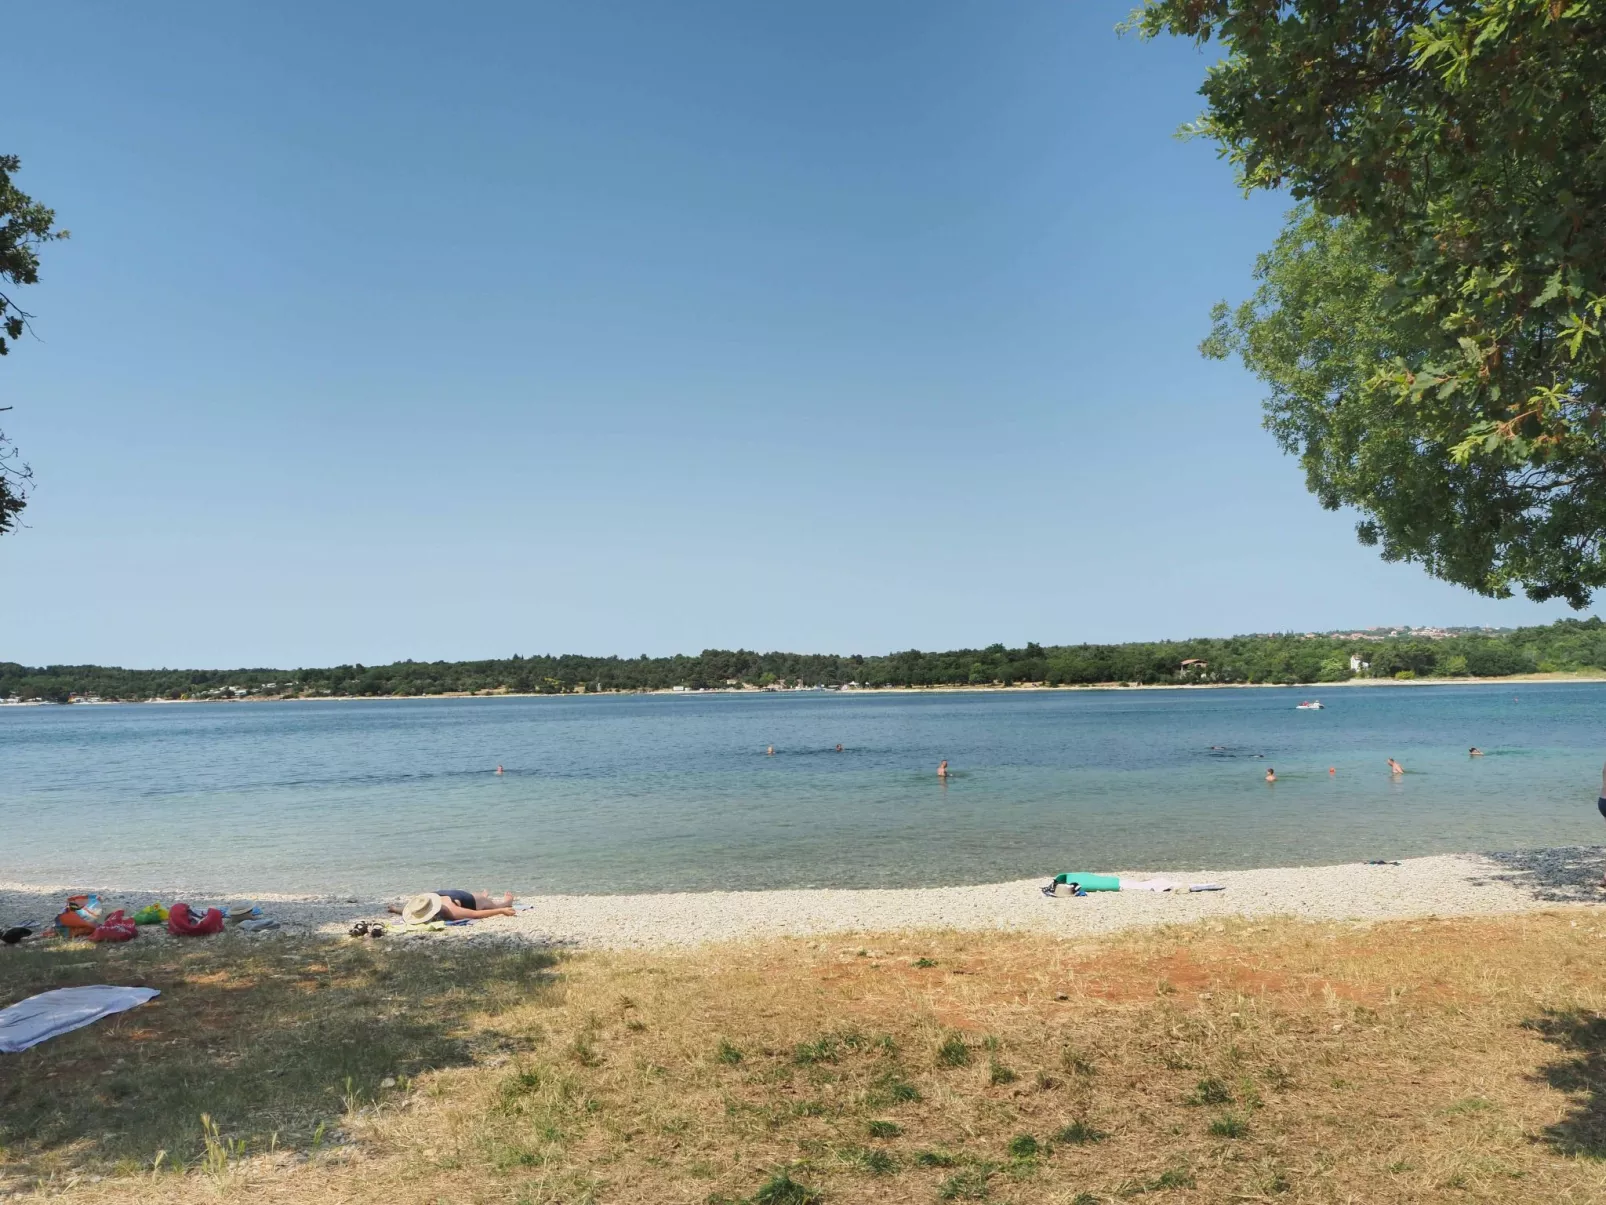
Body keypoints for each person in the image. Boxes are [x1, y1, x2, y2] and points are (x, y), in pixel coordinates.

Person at [393, 890, 516, 923]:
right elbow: (411, 910)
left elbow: (476, 914)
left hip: (473, 900)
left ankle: (506, 901)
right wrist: (395, 909)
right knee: (480, 897)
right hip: (449, 894)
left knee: (492, 905)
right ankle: (483, 895)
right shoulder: (425, 900)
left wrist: (501, 910)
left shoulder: (451, 911)